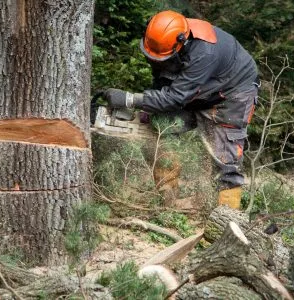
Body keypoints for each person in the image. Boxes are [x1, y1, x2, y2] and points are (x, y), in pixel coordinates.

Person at [101, 10, 259, 209]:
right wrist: (150, 108)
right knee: (162, 126)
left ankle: (226, 221)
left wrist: (130, 99)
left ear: (181, 43)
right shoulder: (163, 41)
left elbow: (175, 97)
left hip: (232, 94)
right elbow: (163, 81)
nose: (158, 62)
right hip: (200, 88)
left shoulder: (204, 53)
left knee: (226, 162)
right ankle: (167, 197)